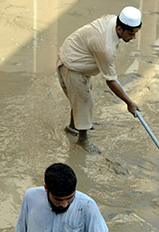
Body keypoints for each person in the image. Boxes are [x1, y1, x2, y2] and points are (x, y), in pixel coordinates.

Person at [57, 6, 142, 146]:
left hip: (79, 56)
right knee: (85, 101)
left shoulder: (113, 20)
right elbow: (110, 80)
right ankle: (82, 141)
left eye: (136, 33)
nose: (134, 37)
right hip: (71, 65)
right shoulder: (105, 47)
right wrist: (129, 103)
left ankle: (73, 127)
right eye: (131, 33)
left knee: (80, 98)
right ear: (119, 29)